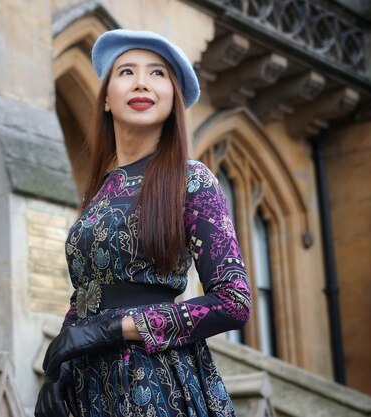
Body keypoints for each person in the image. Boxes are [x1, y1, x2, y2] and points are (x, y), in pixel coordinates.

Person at [35, 29, 252, 417]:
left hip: (154, 382)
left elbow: (234, 302)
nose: (140, 83)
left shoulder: (192, 179)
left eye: (157, 74)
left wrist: (116, 329)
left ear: (173, 99)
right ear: (104, 99)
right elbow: (87, 291)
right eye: (126, 72)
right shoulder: (100, 191)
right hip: (89, 387)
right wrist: (60, 366)